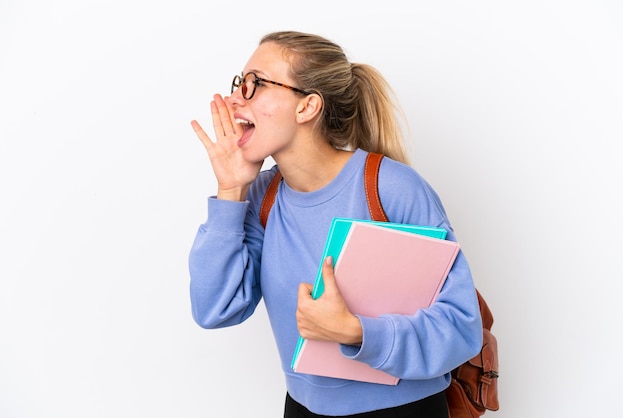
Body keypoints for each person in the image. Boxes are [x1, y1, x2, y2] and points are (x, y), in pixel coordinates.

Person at [188, 30, 483, 418]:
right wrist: (230, 190)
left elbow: (462, 327)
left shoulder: (390, 187)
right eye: (239, 84)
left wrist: (355, 331)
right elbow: (215, 310)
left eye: (254, 84)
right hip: (302, 409)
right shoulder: (261, 196)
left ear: (307, 106)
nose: (233, 99)